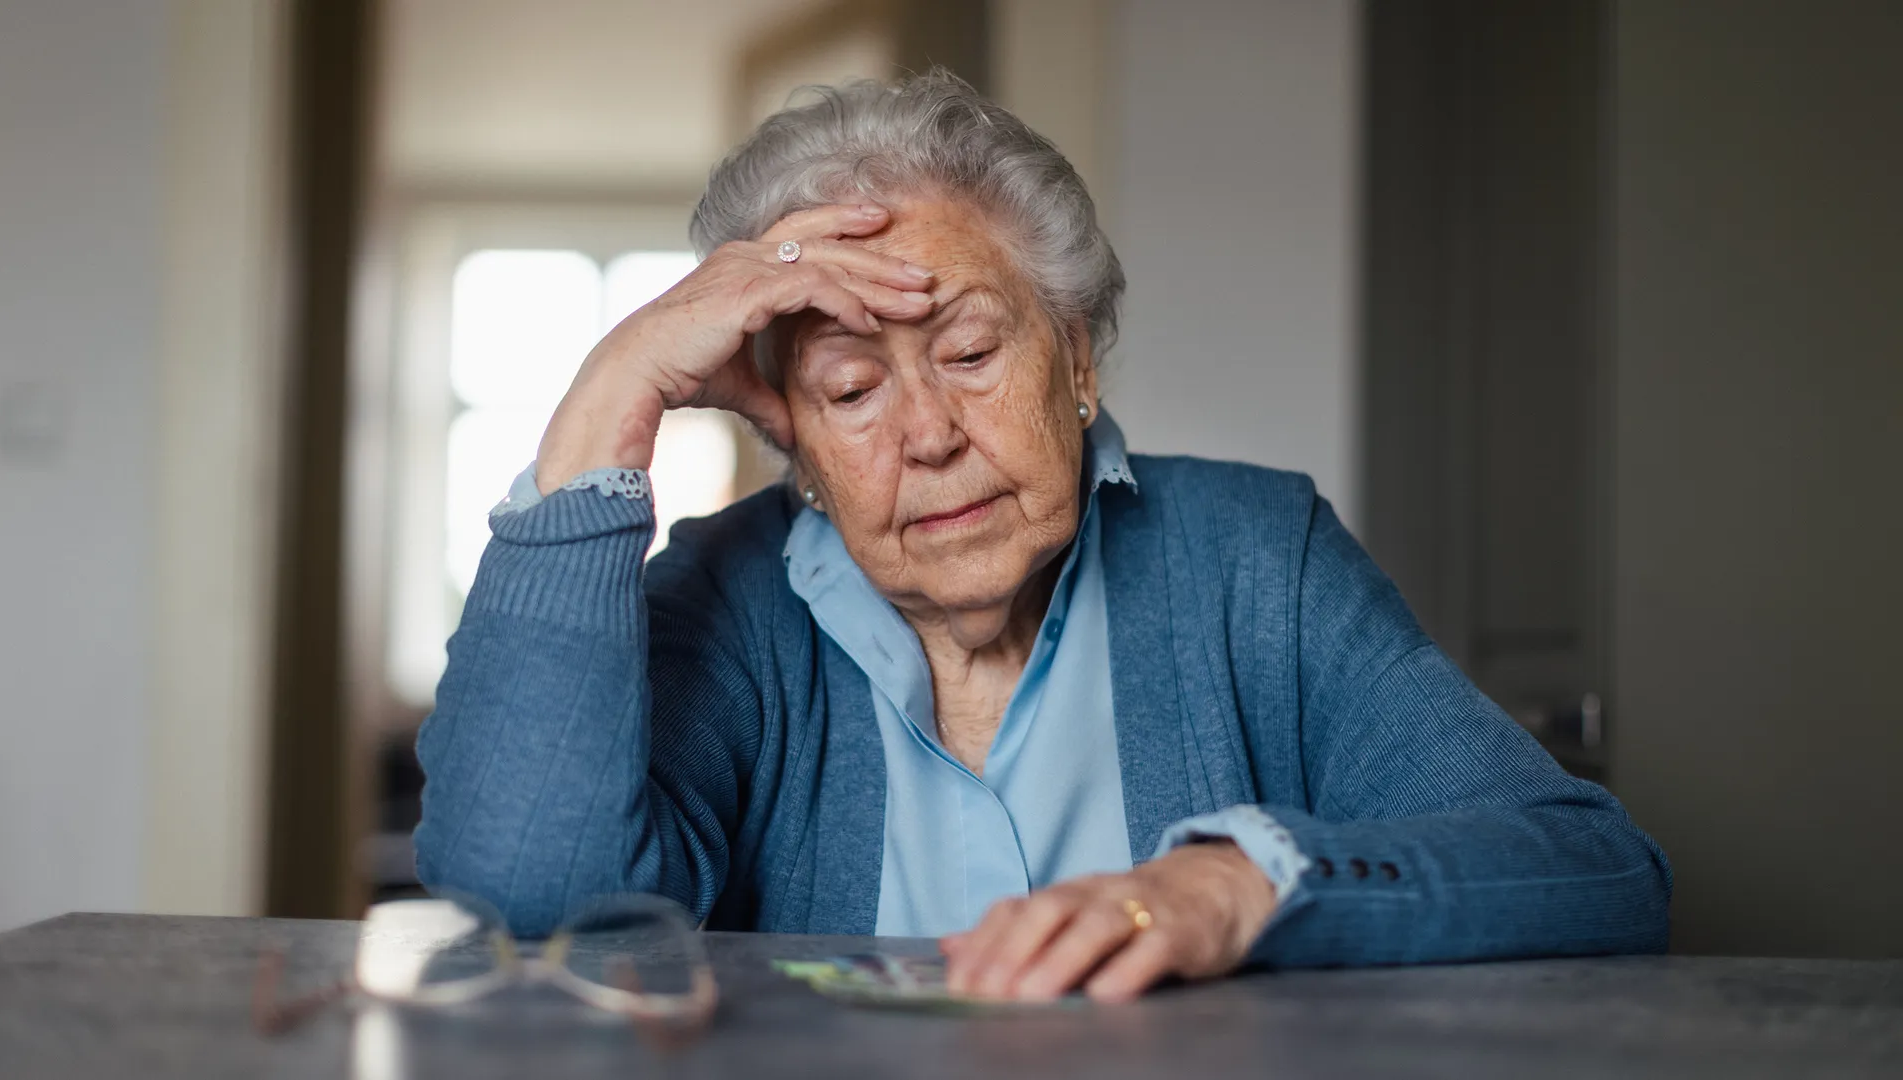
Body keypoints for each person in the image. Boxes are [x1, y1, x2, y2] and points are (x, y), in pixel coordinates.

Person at [414, 71, 1670, 1002]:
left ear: (1076, 355)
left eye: (969, 352)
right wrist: (601, 414)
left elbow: (1588, 866)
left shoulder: (1251, 562)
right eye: (849, 391)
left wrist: (1237, 885)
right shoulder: (726, 602)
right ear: (788, 428)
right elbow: (528, 899)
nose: (928, 435)